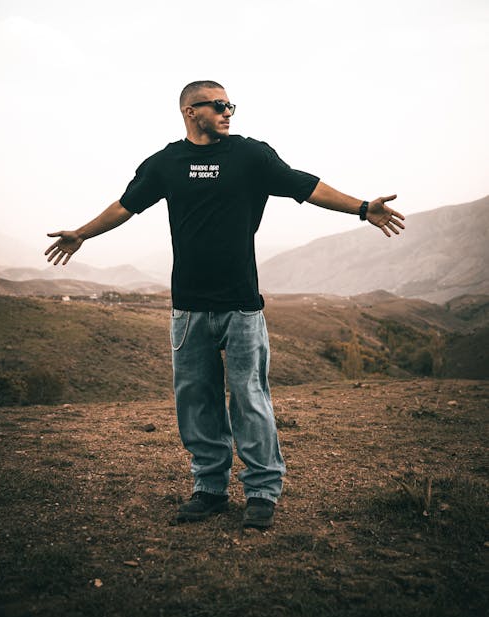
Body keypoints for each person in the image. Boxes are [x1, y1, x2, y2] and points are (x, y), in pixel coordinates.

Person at [45, 80, 405, 530]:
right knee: (196, 401)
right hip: (188, 307)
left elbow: (305, 186)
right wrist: (82, 232)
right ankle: (210, 488)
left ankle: (261, 491)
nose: (228, 111)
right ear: (190, 111)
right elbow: (125, 206)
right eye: (219, 105)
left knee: (250, 398)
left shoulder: (250, 156)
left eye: (230, 104)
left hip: (241, 305)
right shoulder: (165, 163)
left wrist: (362, 206)